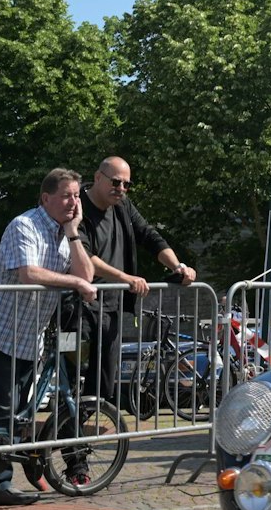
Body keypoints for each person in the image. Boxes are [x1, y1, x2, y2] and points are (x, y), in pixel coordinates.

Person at [0, 168, 100, 505]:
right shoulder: (24, 225)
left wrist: (73, 234)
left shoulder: (64, 234)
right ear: (46, 198)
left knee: (12, 414)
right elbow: (29, 273)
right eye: (66, 196)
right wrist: (75, 282)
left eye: (77, 196)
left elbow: (86, 275)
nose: (74, 202)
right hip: (0, 331)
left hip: (28, 338)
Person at [77, 157, 195, 410]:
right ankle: (56, 425)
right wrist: (126, 278)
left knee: (104, 380)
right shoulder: (78, 206)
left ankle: (77, 427)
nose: (121, 189)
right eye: (115, 182)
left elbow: (149, 235)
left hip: (112, 305)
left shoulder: (123, 206)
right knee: (72, 373)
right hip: (80, 302)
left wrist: (178, 267)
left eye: (126, 184)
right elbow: (85, 256)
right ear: (98, 177)